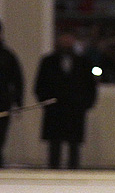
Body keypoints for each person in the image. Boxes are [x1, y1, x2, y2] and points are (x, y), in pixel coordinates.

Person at [35, 32, 98, 169]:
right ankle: (53, 171)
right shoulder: (48, 61)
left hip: (75, 109)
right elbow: (40, 85)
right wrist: (46, 102)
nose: (66, 43)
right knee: (54, 144)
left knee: (74, 145)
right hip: (54, 109)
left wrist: (86, 103)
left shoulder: (83, 62)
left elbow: (90, 86)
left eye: (69, 40)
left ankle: (73, 172)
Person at [0, 19, 24, 168]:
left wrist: (18, 102)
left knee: (0, 137)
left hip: (2, 104)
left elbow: (17, 80)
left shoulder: (7, 56)